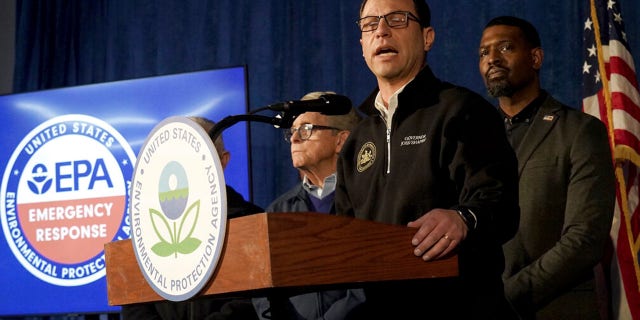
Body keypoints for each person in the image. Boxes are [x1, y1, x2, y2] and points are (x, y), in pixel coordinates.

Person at [334, 0, 521, 318]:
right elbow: (345, 238)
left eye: (396, 19)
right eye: (370, 24)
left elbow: (500, 204)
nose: (381, 30)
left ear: (427, 37)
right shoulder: (356, 142)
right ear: (362, 45)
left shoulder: (462, 110)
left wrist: (462, 218)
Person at [478, 16, 615, 319]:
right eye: (484, 53)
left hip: (554, 307)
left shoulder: (579, 131)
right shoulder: (474, 138)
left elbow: (585, 239)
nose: (492, 59)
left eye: (505, 47)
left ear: (535, 58)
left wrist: (505, 298)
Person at [121, 116, 263, 320]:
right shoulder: (147, 227)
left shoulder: (251, 222)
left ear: (223, 161)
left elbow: (251, 301)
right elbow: (135, 302)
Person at [252, 91, 365, 319]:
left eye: (306, 129)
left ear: (340, 141)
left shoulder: (368, 201)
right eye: (293, 131)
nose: (294, 138)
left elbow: (371, 282)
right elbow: (262, 288)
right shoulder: (277, 212)